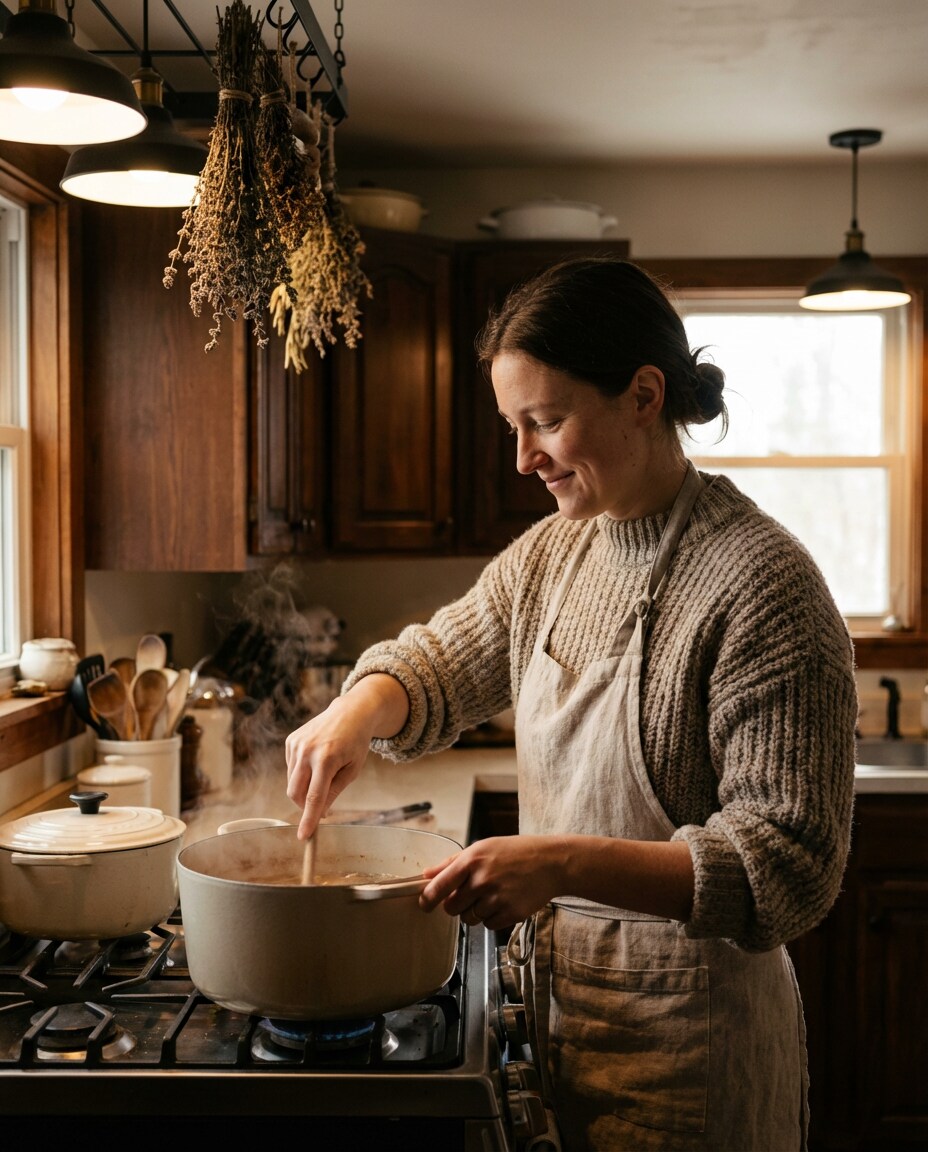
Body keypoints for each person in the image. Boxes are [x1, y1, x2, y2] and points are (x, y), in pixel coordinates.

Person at [285, 256, 858, 1151]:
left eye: (546, 421)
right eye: (514, 426)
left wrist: (560, 863)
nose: (523, 459)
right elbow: (440, 660)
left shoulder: (762, 583)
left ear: (641, 394)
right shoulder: (555, 552)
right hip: (557, 1024)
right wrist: (361, 705)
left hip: (694, 1050)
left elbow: (786, 870)